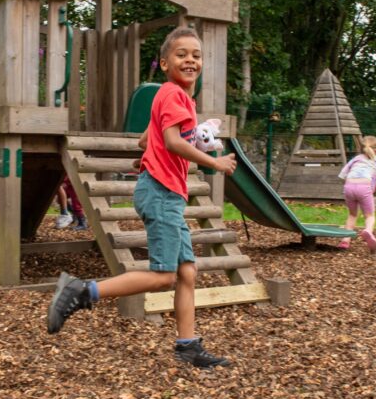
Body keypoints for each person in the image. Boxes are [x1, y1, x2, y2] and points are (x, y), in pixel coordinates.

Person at [45, 27, 238, 368]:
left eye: (196, 55)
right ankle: (81, 292)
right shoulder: (175, 94)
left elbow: (146, 140)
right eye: (181, 54)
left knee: (187, 272)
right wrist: (214, 162)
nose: (190, 59)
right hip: (162, 194)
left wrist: (149, 158)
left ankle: (188, 346)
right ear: (165, 63)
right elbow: (175, 141)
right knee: (163, 275)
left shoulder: (175, 98)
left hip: (165, 191)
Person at [337, 135, 376, 253]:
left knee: (352, 215)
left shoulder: (356, 159)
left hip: (349, 187)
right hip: (364, 187)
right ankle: (368, 231)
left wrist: (350, 184)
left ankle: (345, 241)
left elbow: (342, 175)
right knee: (369, 216)